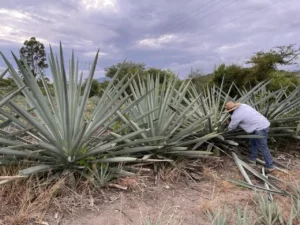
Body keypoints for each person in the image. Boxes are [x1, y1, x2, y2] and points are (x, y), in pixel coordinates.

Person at [225, 101, 275, 173]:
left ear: (230, 111)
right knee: (253, 143)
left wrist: (229, 123)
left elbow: (231, 128)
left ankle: (270, 166)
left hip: (260, 128)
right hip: (263, 123)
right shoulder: (243, 105)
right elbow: (246, 119)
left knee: (262, 147)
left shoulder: (235, 116)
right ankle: (252, 160)